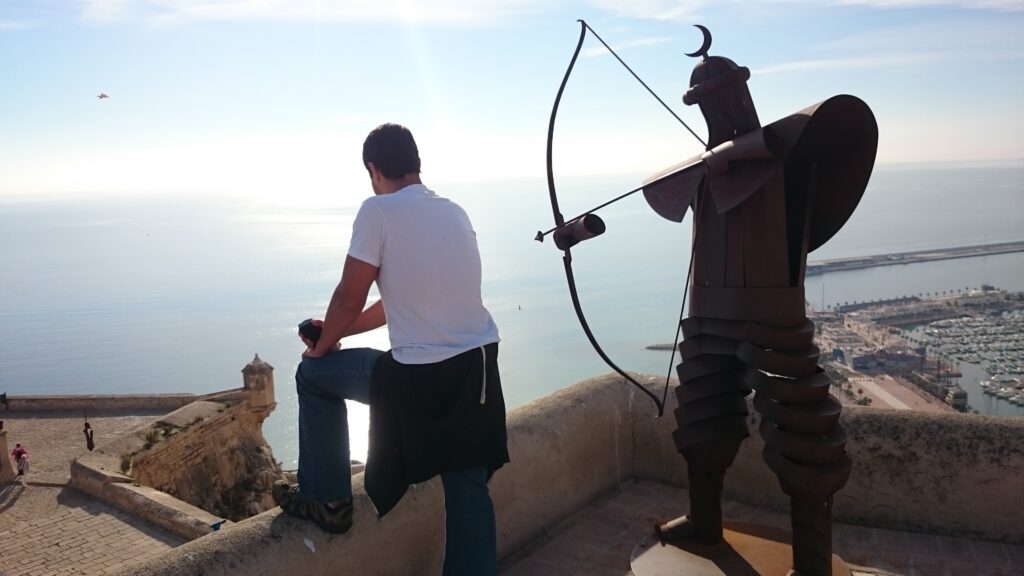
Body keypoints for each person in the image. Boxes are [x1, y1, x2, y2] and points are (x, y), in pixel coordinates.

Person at [273, 123, 508, 575]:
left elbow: (348, 297)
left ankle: (328, 499)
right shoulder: (454, 211)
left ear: (373, 169)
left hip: (419, 379)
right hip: (478, 370)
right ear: (417, 164)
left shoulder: (377, 211)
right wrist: (339, 332)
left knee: (311, 379)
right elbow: (399, 297)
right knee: (467, 484)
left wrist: (321, 348)